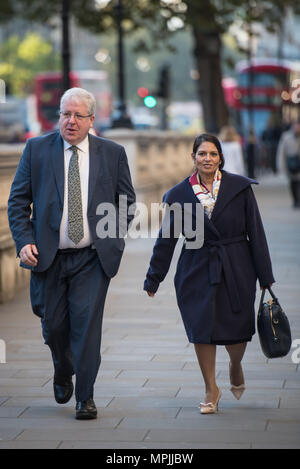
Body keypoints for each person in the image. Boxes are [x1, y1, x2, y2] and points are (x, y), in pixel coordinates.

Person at [8, 87, 136, 420]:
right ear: (59, 117)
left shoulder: (112, 153)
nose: (71, 121)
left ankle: (86, 397)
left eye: (79, 115)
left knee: (86, 326)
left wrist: (112, 240)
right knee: (53, 326)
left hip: (92, 258)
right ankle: (62, 368)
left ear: (92, 119)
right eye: (66, 114)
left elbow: (126, 202)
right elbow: (18, 202)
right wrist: (23, 241)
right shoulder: (37, 150)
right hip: (48, 258)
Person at [144, 133, 274, 414]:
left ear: (221, 158)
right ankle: (210, 388)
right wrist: (154, 277)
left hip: (236, 265)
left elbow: (256, 232)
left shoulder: (239, 188)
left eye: (213, 154)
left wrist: (265, 276)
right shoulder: (179, 195)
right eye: (202, 154)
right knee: (201, 328)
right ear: (193, 157)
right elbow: (167, 239)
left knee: (238, 330)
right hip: (195, 268)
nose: (207, 159)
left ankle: (235, 364)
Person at [276, 120, 300, 208]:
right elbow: (281, 152)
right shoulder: (286, 136)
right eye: (296, 125)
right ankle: (295, 200)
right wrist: (280, 167)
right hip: (291, 165)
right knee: (293, 183)